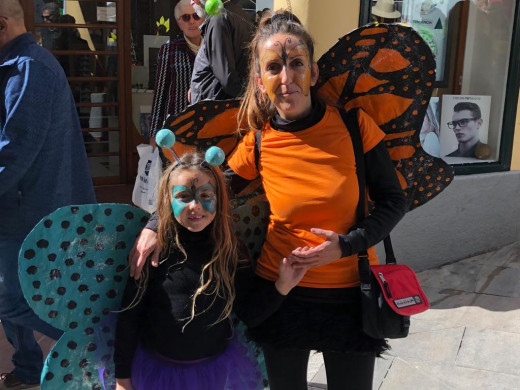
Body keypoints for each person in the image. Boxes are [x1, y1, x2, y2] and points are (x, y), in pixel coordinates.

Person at [129, 10, 406, 390]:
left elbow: (394, 200)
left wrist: (346, 245)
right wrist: (155, 224)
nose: (287, 78)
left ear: (314, 71)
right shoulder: (259, 141)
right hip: (280, 293)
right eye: (274, 67)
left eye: (296, 64)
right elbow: (205, 188)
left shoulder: (355, 127)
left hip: (351, 295)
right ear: (260, 81)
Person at [114, 151, 306, 390]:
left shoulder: (231, 252)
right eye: (183, 196)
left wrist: (282, 286)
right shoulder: (153, 252)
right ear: (168, 200)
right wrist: (122, 378)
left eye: (205, 195)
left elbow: (249, 313)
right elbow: (129, 317)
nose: (195, 206)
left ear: (219, 199)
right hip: (157, 373)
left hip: (213, 371)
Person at [0, 1, 96, 388]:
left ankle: (96, 347)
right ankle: (27, 371)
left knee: (13, 299)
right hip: (20, 207)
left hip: (33, 210)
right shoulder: (17, 64)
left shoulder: (29, 68)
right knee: (15, 298)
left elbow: (14, 150)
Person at [149, 0, 203, 147]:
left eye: (196, 16)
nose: (192, 21)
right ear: (179, 23)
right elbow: (161, 93)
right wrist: (154, 132)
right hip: (177, 127)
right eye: (186, 17)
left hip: (206, 124)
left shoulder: (212, 48)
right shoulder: (169, 50)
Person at [189, 0, 253, 103]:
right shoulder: (236, 13)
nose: (192, 1)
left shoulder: (218, 19)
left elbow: (227, 78)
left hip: (216, 109)